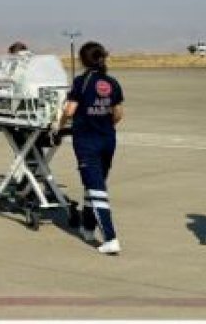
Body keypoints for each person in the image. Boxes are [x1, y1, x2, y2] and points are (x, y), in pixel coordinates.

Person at [56, 41, 125, 255]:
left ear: (83, 60)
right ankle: (87, 227)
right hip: (108, 140)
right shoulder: (112, 82)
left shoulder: (81, 82)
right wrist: (105, 124)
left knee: (96, 190)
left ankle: (110, 238)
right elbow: (118, 113)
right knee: (94, 184)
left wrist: (58, 125)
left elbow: (69, 110)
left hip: (87, 142)